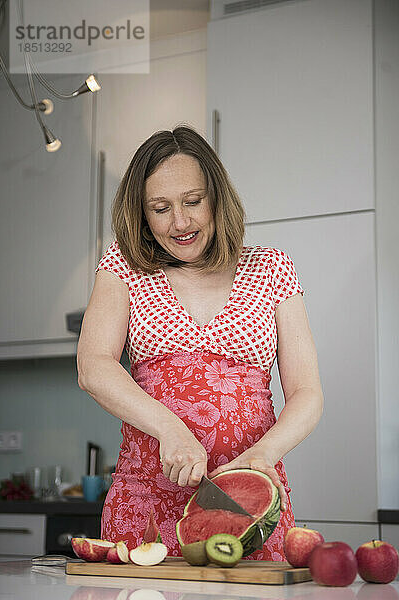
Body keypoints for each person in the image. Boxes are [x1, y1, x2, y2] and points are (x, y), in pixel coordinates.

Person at [77, 125, 324, 560]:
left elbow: (307, 393)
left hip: (248, 506)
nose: (180, 222)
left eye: (193, 201)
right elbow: (94, 366)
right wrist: (170, 429)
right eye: (160, 208)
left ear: (216, 198)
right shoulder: (124, 264)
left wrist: (265, 452)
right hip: (146, 503)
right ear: (141, 214)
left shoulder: (270, 267)